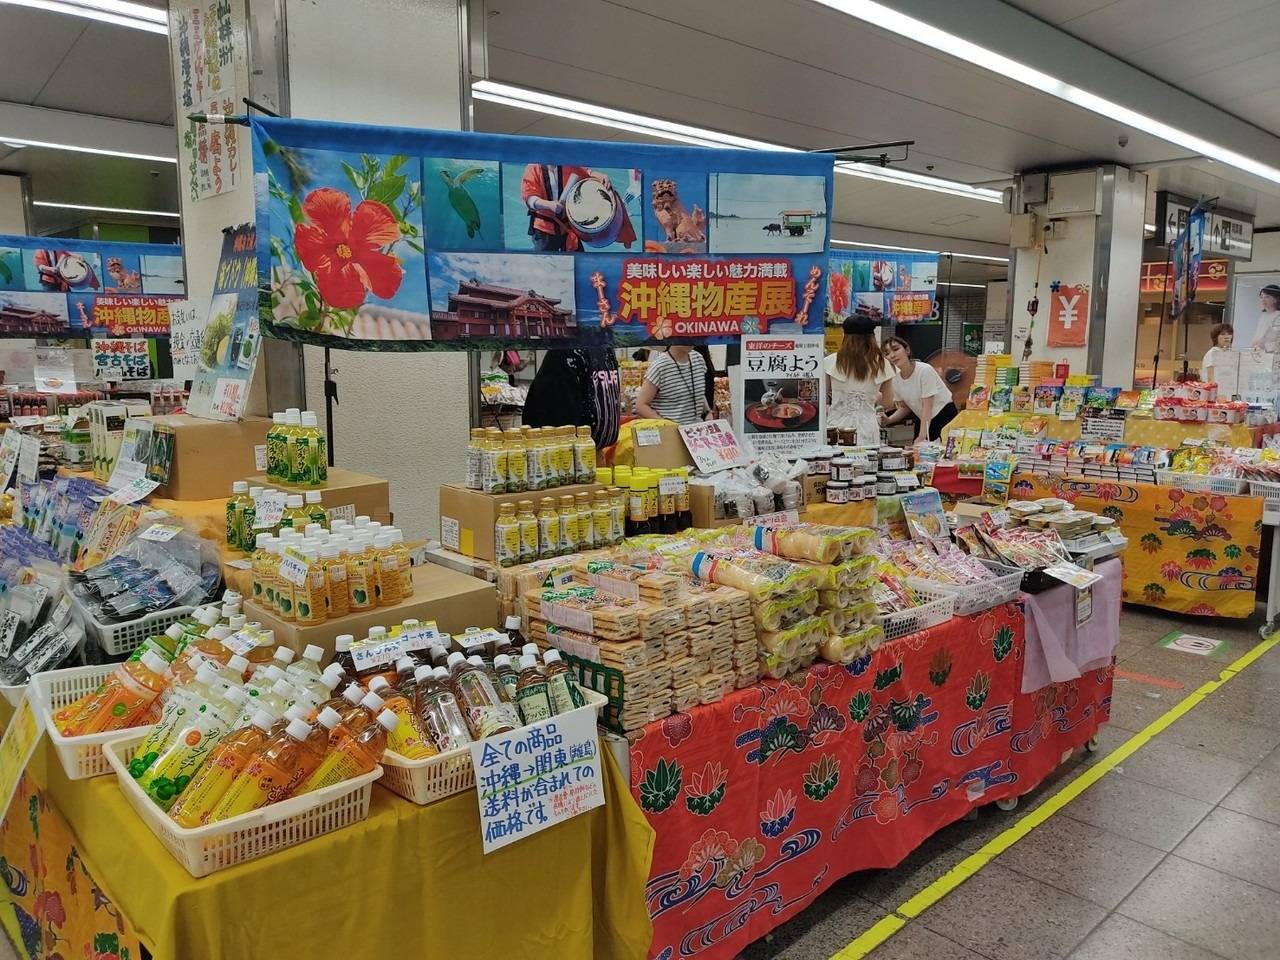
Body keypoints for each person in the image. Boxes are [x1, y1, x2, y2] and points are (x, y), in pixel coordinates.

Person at [521, 348, 621, 448]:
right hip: (591, 448)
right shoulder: (604, 348)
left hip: (571, 452)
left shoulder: (564, 353)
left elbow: (556, 417)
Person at [824, 315, 894, 445]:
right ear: (872, 338)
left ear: (845, 336)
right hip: (868, 428)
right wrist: (871, 396)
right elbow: (888, 402)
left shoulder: (830, 362)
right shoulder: (883, 364)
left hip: (836, 428)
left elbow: (823, 398)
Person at [879, 336, 957, 444]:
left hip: (944, 416)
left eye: (896, 349)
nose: (892, 355)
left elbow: (927, 406)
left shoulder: (924, 370)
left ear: (907, 350)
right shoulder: (894, 377)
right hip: (923, 418)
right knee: (917, 454)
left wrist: (922, 437)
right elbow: (905, 407)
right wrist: (889, 420)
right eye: (887, 353)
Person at [637, 346, 712, 425]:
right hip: (671, 433)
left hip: (695, 431)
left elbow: (698, 391)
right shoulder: (660, 366)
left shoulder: (698, 359)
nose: (690, 338)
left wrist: (707, 412)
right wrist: (667, 425)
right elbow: (641, 406)